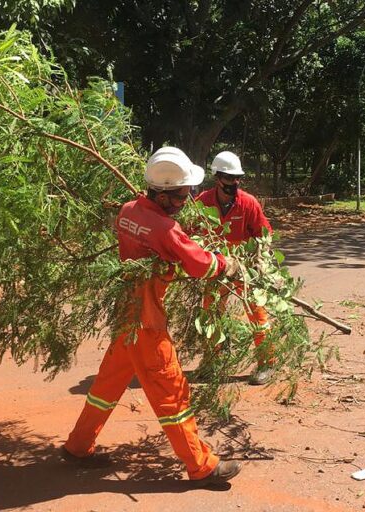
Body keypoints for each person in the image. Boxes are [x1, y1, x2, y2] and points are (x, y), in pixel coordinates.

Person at [63, 147, 242, 485]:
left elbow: (161, 244)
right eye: (182, 194)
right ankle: (200, 465)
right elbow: (199, 264)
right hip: (146, 321)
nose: (187, 200)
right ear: (162, 197)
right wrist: (225, 264)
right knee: (171, 391)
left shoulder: (129, 210)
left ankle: (78, 445)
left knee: (107, 385)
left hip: (126, 315)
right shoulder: (163, 228)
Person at [195, 151, 274, 385]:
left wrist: (260, 261)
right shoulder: (202, 203)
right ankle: (212, 361)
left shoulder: (248, 203)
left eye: (237, 178)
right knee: (210, 313)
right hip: (215, 267)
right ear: (217, 178)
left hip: (243, 268)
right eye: (229, 178)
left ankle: (266, 363)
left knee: (257, 314)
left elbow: (264, 235)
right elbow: (191, 234)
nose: (234, 183)